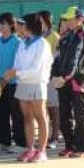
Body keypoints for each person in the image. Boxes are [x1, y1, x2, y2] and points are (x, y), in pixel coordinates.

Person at [4, 14, 53, 163]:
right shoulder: (22, 43)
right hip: (22, 84)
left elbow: (37, 69)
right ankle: (30, 149)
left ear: (28, 26)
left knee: (40, 117)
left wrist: (16, 73)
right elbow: (17, 64)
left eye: (20, 24)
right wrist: (13, 73)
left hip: (37, 83)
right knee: (27, 118)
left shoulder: (42, 44)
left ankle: (42, 151)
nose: (17, 27)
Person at [52, 6, 84, 158]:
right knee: (64, 115)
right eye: (66, 18)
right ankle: (69, 145)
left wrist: (65, 78)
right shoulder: (64, 38)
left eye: (70, 18)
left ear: (80, 19)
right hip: (63, 83)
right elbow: (57, 59)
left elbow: (79, 62)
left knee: (80, 115)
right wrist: (55, 76)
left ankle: (83, 147)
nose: (67, 21)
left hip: (78, 82)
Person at [0, 12, 21, 153]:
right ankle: (4, 142)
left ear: (10, 25)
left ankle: (21, 143)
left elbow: (17, 63)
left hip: (13, 84)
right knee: (0, 114)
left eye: (2, 24)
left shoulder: (18, 42)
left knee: (16, 114)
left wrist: (5, 79)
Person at [38, 10, 61, 149]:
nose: (38, 23)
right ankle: (45, 137)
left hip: (52, 77)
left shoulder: (55, 37)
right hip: (41, 78)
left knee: (54, 109)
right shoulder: (37, 37)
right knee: (44, 109)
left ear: (47, 21)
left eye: (40, 20)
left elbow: (56, 58)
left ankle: (54, 137)